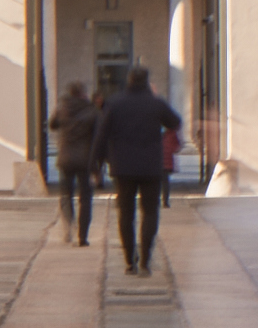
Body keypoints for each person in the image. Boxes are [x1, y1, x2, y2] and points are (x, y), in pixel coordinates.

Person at [96, 66, 180, 277]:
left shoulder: (115, 103)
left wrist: (96, 164)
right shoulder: (155, 103)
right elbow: (175, 122)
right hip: (151, 166)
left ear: (128, 80)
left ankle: (129, 260)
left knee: (126, 213)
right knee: (150, 212)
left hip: (122, 167)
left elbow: (102, 135)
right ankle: (145, 259)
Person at [48, 83, 102, 248]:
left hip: (66, 158)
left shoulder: (63, 108)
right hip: (85, 160)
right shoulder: (92, 111)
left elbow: (52, 125)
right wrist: (97, 166)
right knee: (85, 198)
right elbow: (97, 138)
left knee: (66, 194)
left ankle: (68, 224)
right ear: (83, 94)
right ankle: (82, 237)